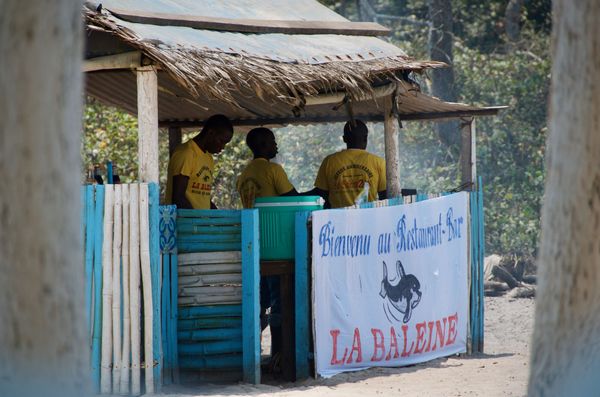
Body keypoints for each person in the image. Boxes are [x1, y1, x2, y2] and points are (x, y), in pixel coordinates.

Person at [236, 127, 298, 371]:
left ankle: (252, 352)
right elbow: (293, 198)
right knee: (279, 302)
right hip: (276, 246)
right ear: (262, 144)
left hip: (254, 247)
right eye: (272, 142)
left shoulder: (243, 174)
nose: (276, 146)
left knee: (260, 303)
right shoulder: (274, 170)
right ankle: (279, 355)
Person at [313, 119, 387, 208]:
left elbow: (322, 196)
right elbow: (385, 197)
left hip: (337, 219)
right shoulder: (378, 162)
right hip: (368, 218)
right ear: (365, 138)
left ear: (344, 139)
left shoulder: (329, 161)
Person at [165, 114, 234, 209]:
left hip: (200, 222)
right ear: (210, 133)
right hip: (186, 222)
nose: (222, 147)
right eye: (221, 141)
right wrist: (197, 221)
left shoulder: (208, 158)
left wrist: (218, 216)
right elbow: (178, 198)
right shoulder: (186, 153)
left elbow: (202, 198)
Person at [236, 127, 298, 208]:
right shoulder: (274, 169)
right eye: (273, 141)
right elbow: (295, 199)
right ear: (264, 144)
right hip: (273, 220)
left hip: (250, 221)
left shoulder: (242, 176)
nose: (275, 144)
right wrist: (316, 192)